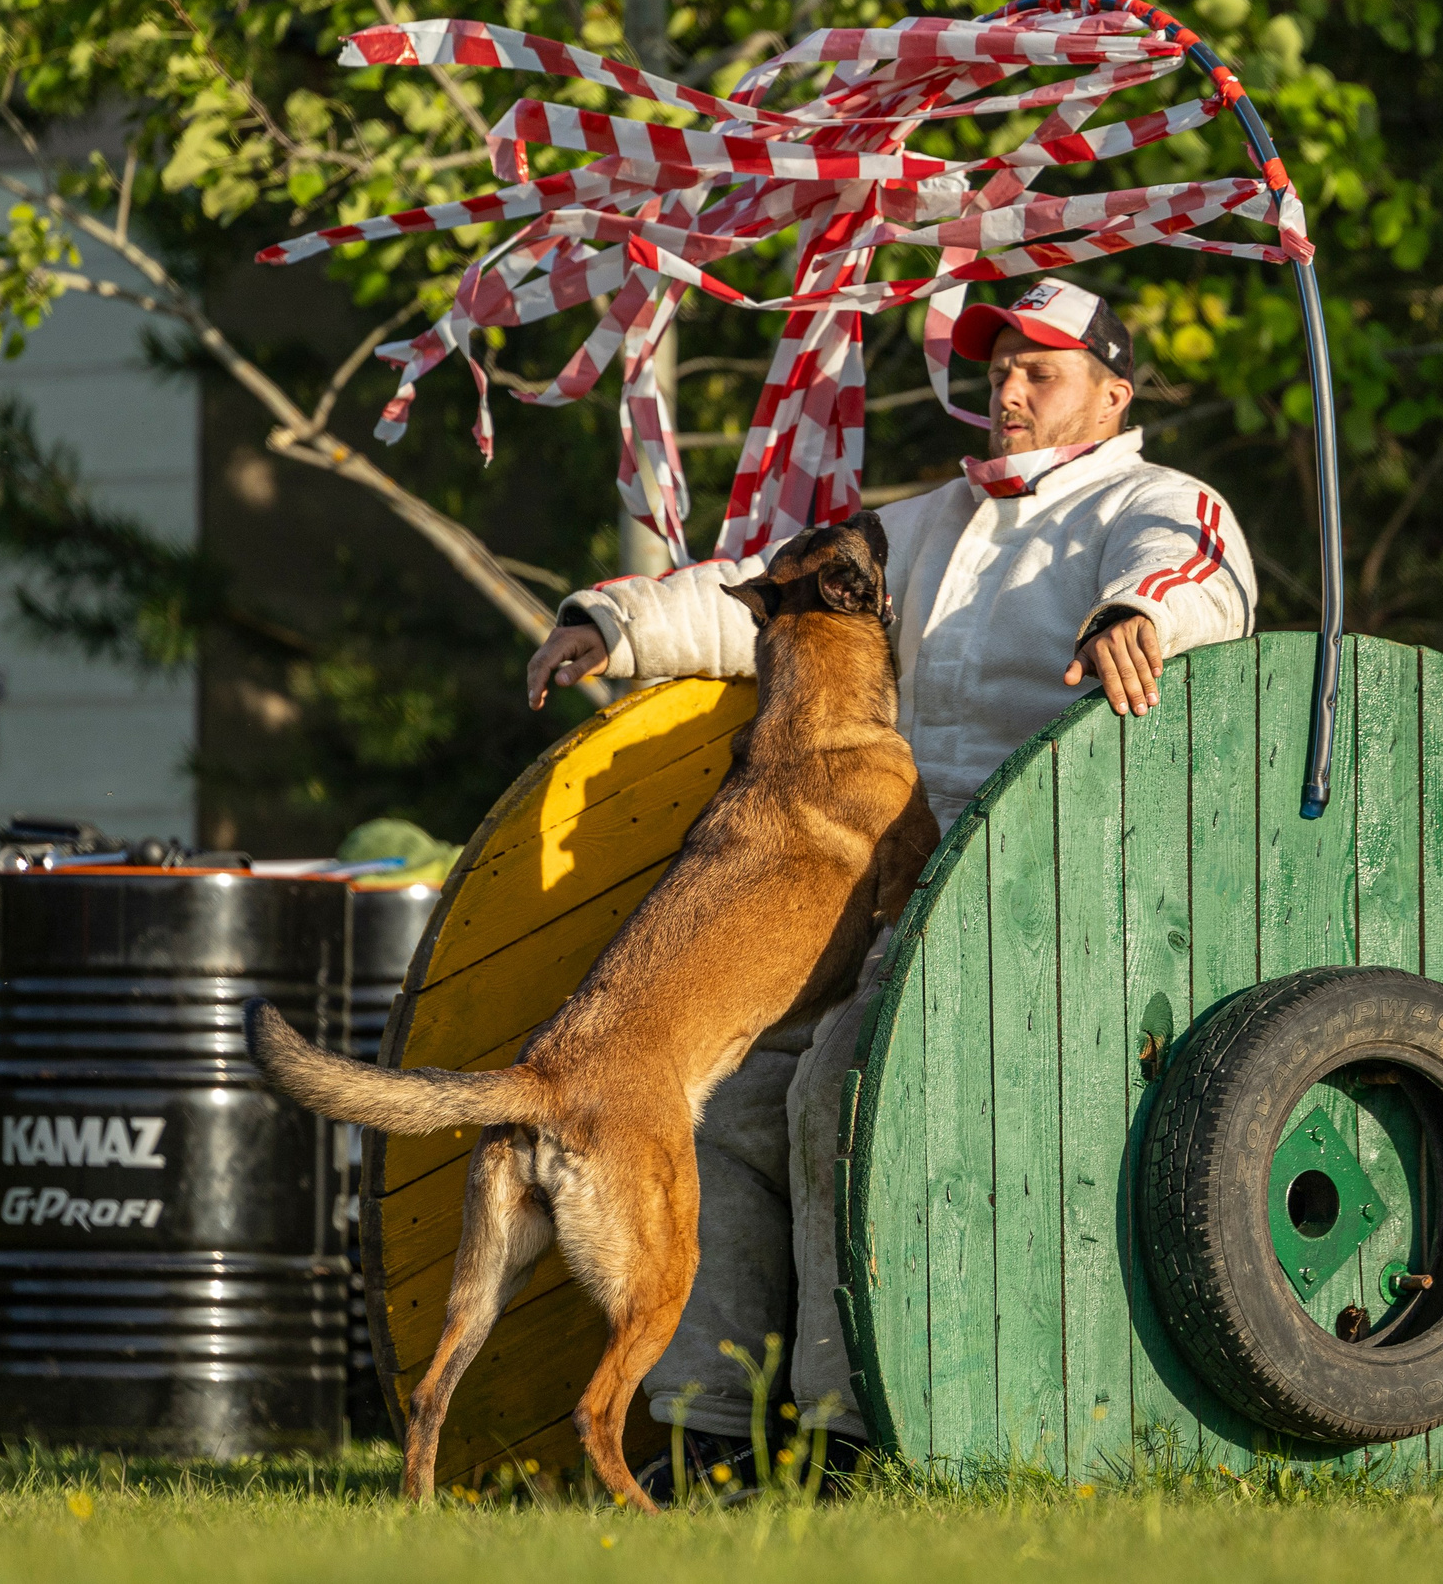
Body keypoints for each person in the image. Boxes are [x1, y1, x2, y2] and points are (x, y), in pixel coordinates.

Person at [524, 277, 1258, 1493]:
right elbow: (764, 591)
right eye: (997, 372)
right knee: (740, 1100)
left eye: (1039, 372)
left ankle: (843, 1432)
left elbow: (1196, 570)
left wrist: (1140, 611)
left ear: (1111, 393)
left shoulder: (1153, 504)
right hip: (894, 893)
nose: (1007, 392)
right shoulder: (919, 528)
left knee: (830, 1088)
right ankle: (713, 1434)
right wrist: (612, 622)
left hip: (1049, 885)